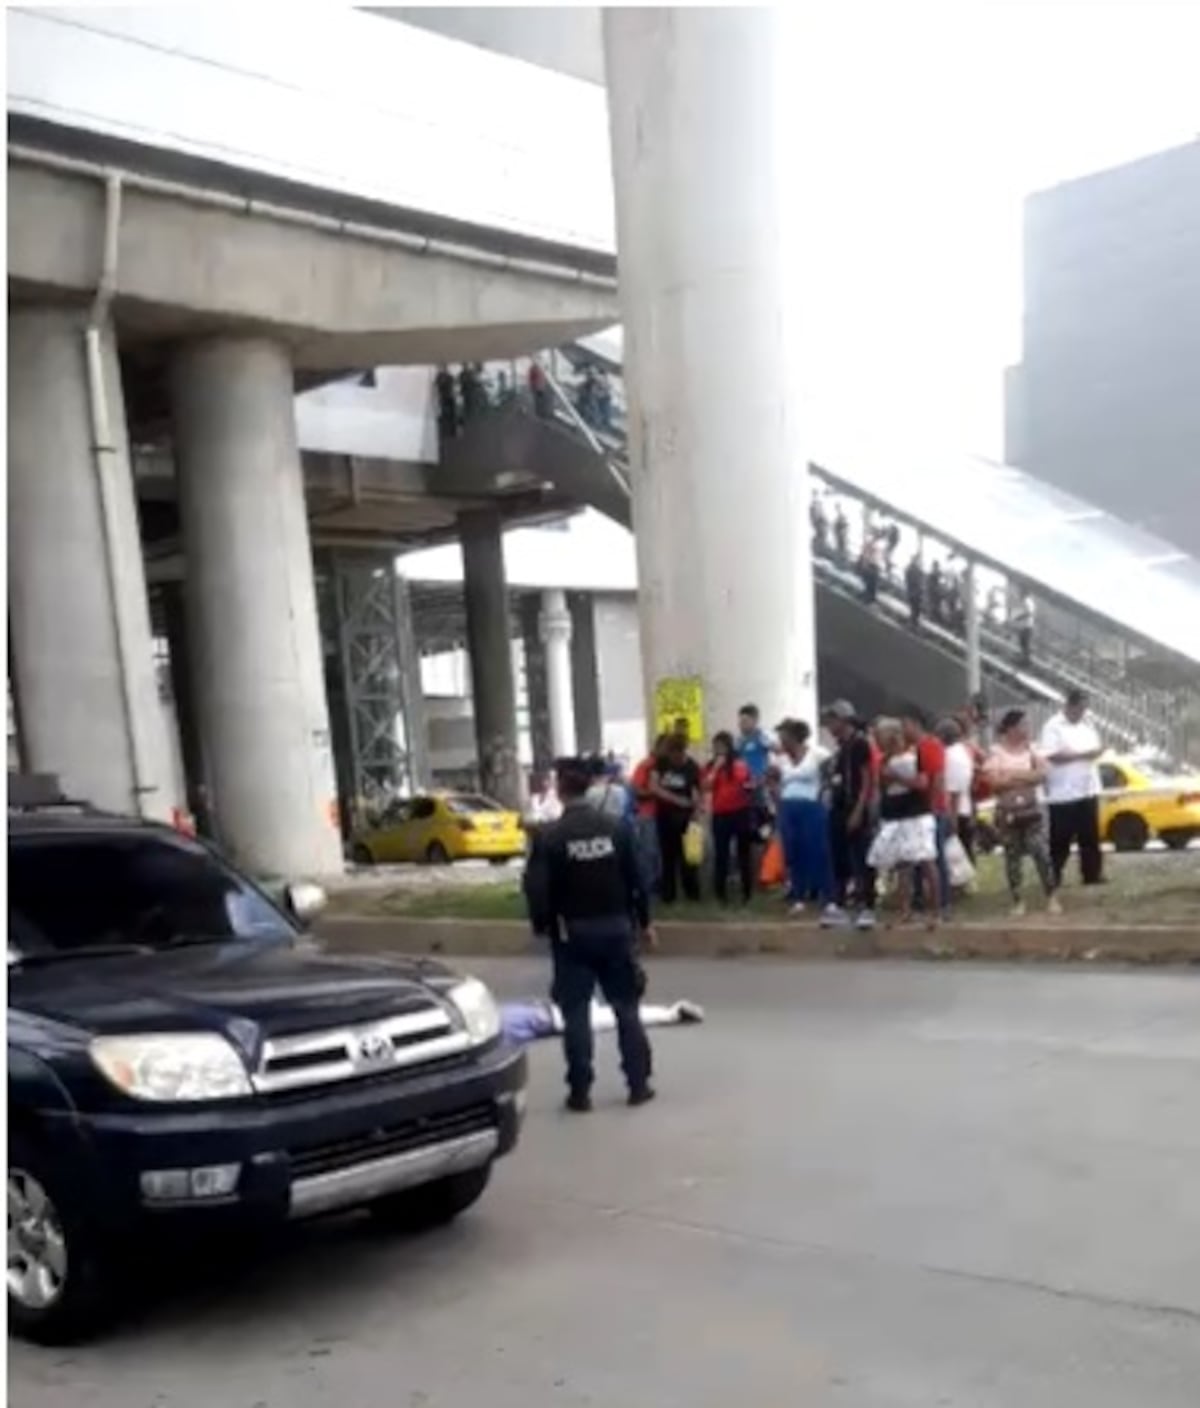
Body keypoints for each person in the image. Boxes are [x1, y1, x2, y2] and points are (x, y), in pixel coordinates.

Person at [524, 757, 656, 1111]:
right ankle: (638, 1084)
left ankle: (580, 1091)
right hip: (616, 928)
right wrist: (645, 923)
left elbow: (537, 889)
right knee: (626, 1008)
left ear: (561, 792)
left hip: (573, 935)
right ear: (589, 788)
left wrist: (542, 925)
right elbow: (638, 879)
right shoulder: (617, 829)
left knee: (577, 1014)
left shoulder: (551, 837)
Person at [986, 710, 1061, 917]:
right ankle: (1018, 900)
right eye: (1023, 725)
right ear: (1011, 729)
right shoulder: (996, 752)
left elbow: (1041, 775)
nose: (1027, 729)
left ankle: (1051, 895)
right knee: (1012, 855)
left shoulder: (1033, 750)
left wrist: (1012, 775)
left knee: (1040, 851)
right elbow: (994, 782)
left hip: (1033, 809)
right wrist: (1026, 777)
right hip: (1008, 811)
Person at [868, 717, 940, 927]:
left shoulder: (912, 757)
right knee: (902, 865)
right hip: (895, 813)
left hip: (915, 813)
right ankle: (904, 909)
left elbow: (921, 783)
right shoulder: (884, 760)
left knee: (926, 859)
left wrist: (896, 777)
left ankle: (935, 910)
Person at [774, 719, 837, 921]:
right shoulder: (780, 760)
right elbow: (773, 780)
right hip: (788, 806)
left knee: (818, 850)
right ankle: (799, 896)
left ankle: (828, 898)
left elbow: (832, 775)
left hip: (811, 806)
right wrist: (777, 799)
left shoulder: (817, 754)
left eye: (784, 736)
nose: (781, 741)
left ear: (794, 737)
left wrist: (825, 794)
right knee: (793, 851)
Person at [1039, 689, 1104, 886]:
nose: (1083, 712)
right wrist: (1082, 755)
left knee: (1090, 836)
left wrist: (1094, 753)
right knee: (1061, 838)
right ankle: (1054, 875)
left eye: (1085, 708)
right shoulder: (1053, 726)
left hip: (1088, 788)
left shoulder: (1088, 725)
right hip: (1063, 792)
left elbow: (1095, 750)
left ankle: (1091, 873)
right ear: (1070, 705)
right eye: (1079, 708)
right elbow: (1052, 755)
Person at [823, 700, 877, 930]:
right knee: (839, 856)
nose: (829, 725)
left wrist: (858, 810)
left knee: (861, 855)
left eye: (833, 720)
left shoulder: (860, 744)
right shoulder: (839, 748)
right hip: (837, 807)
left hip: (854, 806)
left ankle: (866, 904)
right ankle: (839, 902)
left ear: (845, 720)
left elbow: (867, 779)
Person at [902, 708, 951, 917]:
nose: (902, 730)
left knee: (934, 856)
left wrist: (932, 807)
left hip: (931, 809)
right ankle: (920, 899)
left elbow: (937, 778)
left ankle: (942, 902)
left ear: (915, 724)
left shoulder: (930, 746)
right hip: (915, 809)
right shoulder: (910, 749)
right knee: (917, 857)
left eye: (905, 725)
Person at [703, 732, 755, 904]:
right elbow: (706, 786)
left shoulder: (739, 764)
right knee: (721, 854)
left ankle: (747, 891)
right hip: (720, 814)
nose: (719, 750)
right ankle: (720, 892)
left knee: (743, 854)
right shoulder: (711, 766)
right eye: (716, 747)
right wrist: (716, 768)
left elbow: (745, 782)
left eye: (722, 746)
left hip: (740, 812)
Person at [651, 734, 702, 903]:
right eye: (671, 754)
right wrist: (676, 799)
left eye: (677, 754)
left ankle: (692, 894)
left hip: (688, 818)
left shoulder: (692, 767)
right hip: (665, 816)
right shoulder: (661, 763)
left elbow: (697, 791)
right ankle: (668, 895)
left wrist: (696, 808)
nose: (674, 758)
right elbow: (654, 787)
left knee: (691, 857)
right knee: (668, 857)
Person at [629, 735, 666, 895]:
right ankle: (648, 888)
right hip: (647, 815)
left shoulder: (667, 766)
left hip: (665, 816)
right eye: (665, 748)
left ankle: (661, 886)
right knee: (648, 852)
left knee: (661, 853)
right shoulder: (646, 765)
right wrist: (657, 793)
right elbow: (636, 791)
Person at [939, 717, 976, 863]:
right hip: (964, 807)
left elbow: (954, 789)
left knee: (956, 854)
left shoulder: (951, 756)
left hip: (955, 809)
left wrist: (951, 818)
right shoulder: (963, 752)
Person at [434, 365, 458, 440]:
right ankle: (448, 431)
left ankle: (452, 431)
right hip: (445, 397)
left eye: (444, 368)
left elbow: (452, 383)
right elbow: (437, 384)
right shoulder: (440, 376)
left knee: (451, 414)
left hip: (448, 397)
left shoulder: (445, 376)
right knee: (447, 413)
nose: (443, 370)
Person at [1013, 592, 1036, 666]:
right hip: (1025, 625)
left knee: (1025, 644)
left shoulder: (1027, 602)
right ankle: (1025, 659)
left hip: (1027, 625)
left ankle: (1027, 660)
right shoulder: (1026, 602)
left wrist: (1019, 617)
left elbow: (1029, 613)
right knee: (1023, 643)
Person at [904, 553, 924, 629]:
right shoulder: (913, 569)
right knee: (915, 609)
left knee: (916, 609)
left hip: (913, 592)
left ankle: (913, 624)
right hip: (914, 592)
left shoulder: (911, 568)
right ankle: (912, 624)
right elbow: (915, 581)